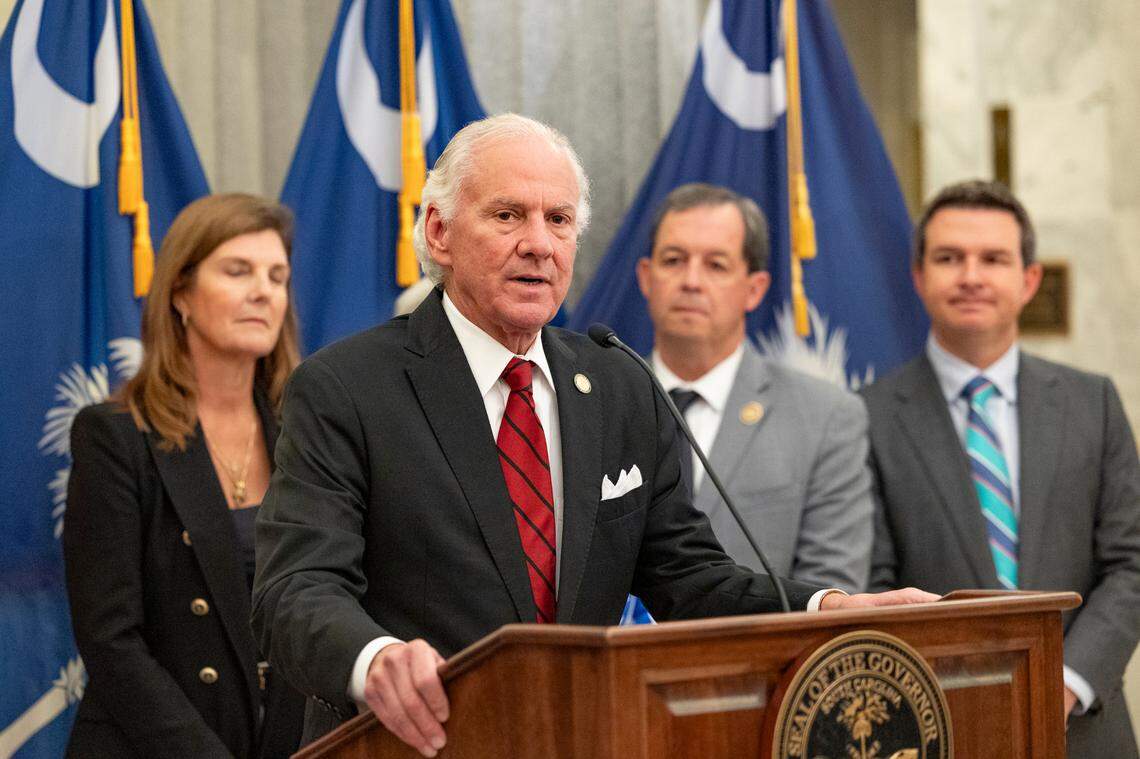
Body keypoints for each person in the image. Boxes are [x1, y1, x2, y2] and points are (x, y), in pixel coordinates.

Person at [251, 113, 934, 758]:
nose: (539, 244)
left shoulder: (616, 384)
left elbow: (689, 576)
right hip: (414, 741)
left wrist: (827, 606)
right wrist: (374, 660)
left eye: (559, 219)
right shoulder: (345, 387)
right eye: (508, 215)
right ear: (438, 232)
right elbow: (296, 590)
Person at [861, 179, 1140, 757]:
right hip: (932, 725)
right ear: (917, 277)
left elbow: (1131, 564)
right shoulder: (864, 416)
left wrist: (1062, 685)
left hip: (1084, 730)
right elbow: (873, 583)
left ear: (1028, 279)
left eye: (993, 258)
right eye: (948, 258)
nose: (971, 276)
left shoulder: (1094, 403)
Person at [63, 194, 306, 758]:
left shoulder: (307, 434)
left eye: (277, 276)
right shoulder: (114, 436)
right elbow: (110, 639)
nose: (263, 291)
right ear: (180, 294)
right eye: (237, 271)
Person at [636, 183, 872, 592]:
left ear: (755, 289)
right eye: (674, 260)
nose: (691, 281)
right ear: (646, 277)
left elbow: (831, 589)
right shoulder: (597, 401)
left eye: (716, 265)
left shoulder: (825, 416)